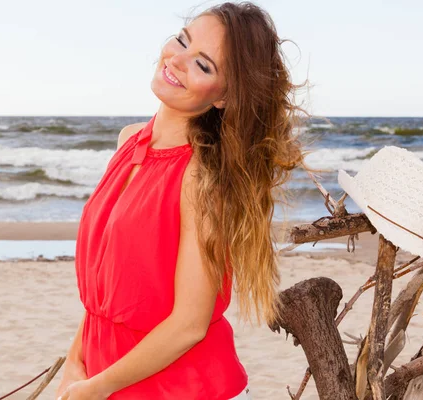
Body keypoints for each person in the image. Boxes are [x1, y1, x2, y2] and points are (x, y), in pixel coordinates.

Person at [55, 1, 310, 399]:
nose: (176, 60)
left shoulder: (203, 178)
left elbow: (190, 324)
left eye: (203, 65)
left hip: (181, 388)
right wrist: (76, 361)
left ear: (224, 96)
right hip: (106, 379)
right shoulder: (128, 141)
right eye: (182, 40)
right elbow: (104, 298)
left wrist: (94, 388)